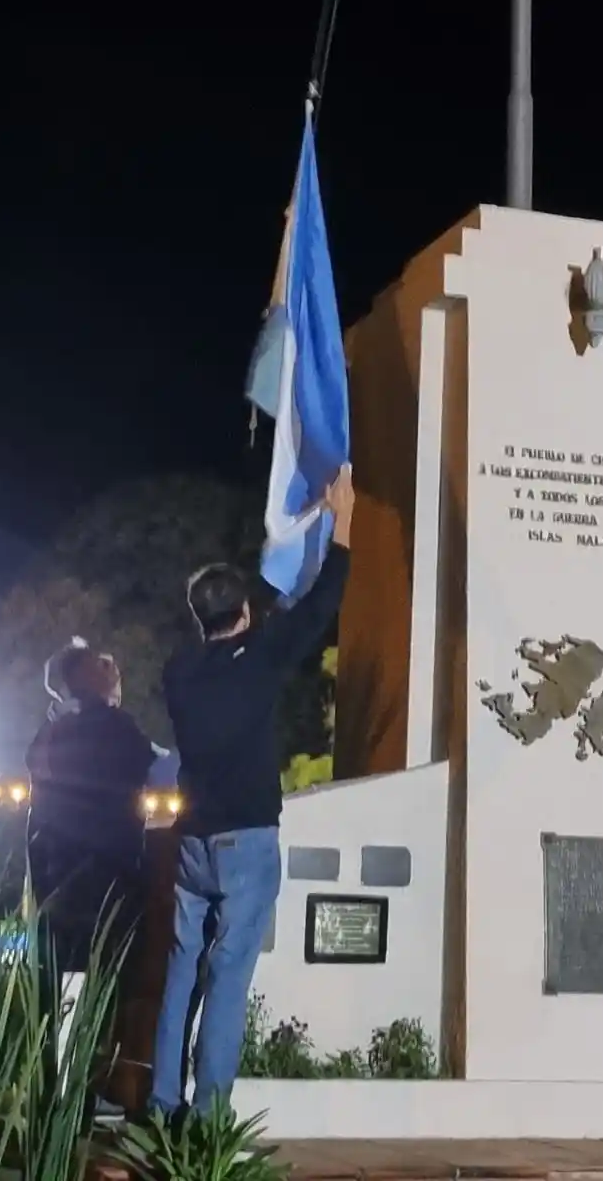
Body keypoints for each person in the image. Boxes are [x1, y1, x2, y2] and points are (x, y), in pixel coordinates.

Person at [149, 465, 355, 1116]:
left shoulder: (178, 672)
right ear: (242, 612)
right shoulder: (261, 656)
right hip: (246, 843)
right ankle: (208, 1120)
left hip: (194, 845)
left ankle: (161, 1103)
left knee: (183, 971)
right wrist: (339, 517)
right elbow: (323, 602)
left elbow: (262, 625)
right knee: (229, 975)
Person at [26, 640, 158, 1121]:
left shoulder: (51, 734)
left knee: (61, 988)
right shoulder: (118, 731)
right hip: (109, 882)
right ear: (96, 681)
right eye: (110, 670)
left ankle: (60, 1092)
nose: (117, 676)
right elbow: (151, 767)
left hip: (59, 880)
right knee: (101, 990)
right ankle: (78, 1090)